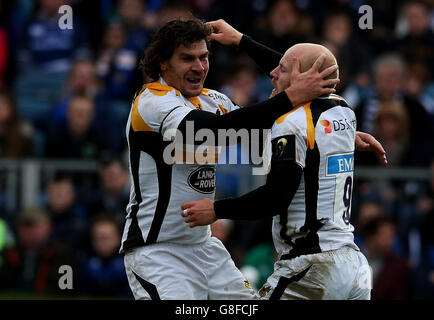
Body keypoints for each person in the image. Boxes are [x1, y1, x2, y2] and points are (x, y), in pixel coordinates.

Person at [121, 16, 342, 301]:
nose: (199, 67)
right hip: (158, 252)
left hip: (206, 249)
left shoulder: (214, 100)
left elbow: (296, 82)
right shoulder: (152, 101)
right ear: (163, 63)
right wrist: (292, 95)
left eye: (203, 57)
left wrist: (242, 41)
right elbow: (208, 132)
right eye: (187, 58)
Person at [181, 19, 382, 300]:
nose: (273, 73)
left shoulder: (290, 123)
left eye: (283, 70)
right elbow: (305, 73)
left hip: (311, 267)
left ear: (305, 79)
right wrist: (242, 40)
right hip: (353, 268)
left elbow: (276, 197)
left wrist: (217, 209)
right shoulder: (343, 111)